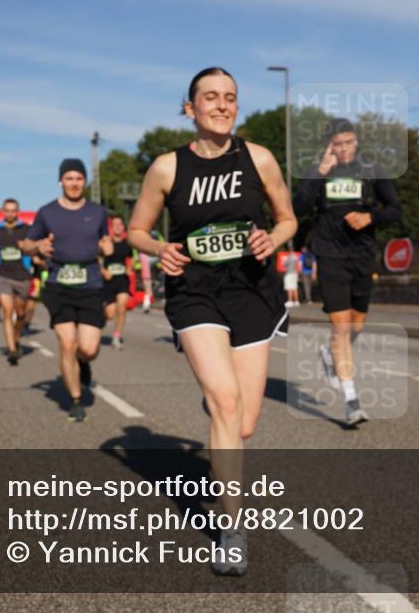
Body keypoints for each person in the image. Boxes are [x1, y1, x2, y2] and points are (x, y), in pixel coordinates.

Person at [128, 67, 296, 576]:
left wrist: (275, 238)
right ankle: (231, 529)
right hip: (195, 293)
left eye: (230, 98)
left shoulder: (259, 158)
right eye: (210, 97)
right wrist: (161, 248)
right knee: (225, 402)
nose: (221, 105)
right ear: (190, 107)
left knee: (242, 422)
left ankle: (219, 401)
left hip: (251, 293)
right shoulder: (166, 168)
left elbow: (287, 217)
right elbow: (136, 229)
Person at [293, 118, 401, 426]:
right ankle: (352, 400)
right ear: (330, 145)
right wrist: (320, 172)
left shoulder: (372, 171)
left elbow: (395, 209)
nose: (344, 149)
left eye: (349, 142)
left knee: (356, 326)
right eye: (338, 144)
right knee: (340, 326)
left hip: (362, 255)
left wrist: (369, 217)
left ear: (356, 142)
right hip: (329, 255)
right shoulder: (318, 172)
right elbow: (297, 207)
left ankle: (329, 354)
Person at [20, 158, 112, 423]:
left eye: (79, 178)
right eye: (69, 178)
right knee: (67, 343)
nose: (74, 183)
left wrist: (106, 248)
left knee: (89, 348)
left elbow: (105, 241)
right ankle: (75, 399)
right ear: (60, 181)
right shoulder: (47, 212)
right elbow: (26, 243)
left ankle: (84, 363)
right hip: (59, 285)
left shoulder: (98, 212)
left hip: (91, 284)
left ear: (85, 181)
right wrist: (36, 247)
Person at [0, 199, 31, 365]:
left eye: (13, 210)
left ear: (18, 211)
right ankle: (12, 350)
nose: (10, 213)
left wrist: (26, 246)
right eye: (7, 210)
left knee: (20, 314)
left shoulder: (26, 229)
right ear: (2, 211)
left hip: (22, 276)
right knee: (8, 312)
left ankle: (17, 336)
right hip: (3, 274)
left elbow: (34, 247)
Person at [101, 215, 133, 349]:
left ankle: (116, 336)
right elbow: (97, 260)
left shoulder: (128, 244)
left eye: (120, 224)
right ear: (111, 227)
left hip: (122, 281)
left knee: (122, 306)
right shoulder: (106, 243)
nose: (118, 227)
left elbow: (131, 258)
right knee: (109, 314)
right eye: (115, 224)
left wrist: (129, 268)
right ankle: (98, 321)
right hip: (108, 282)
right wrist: (103, 271)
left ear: (123, 227)